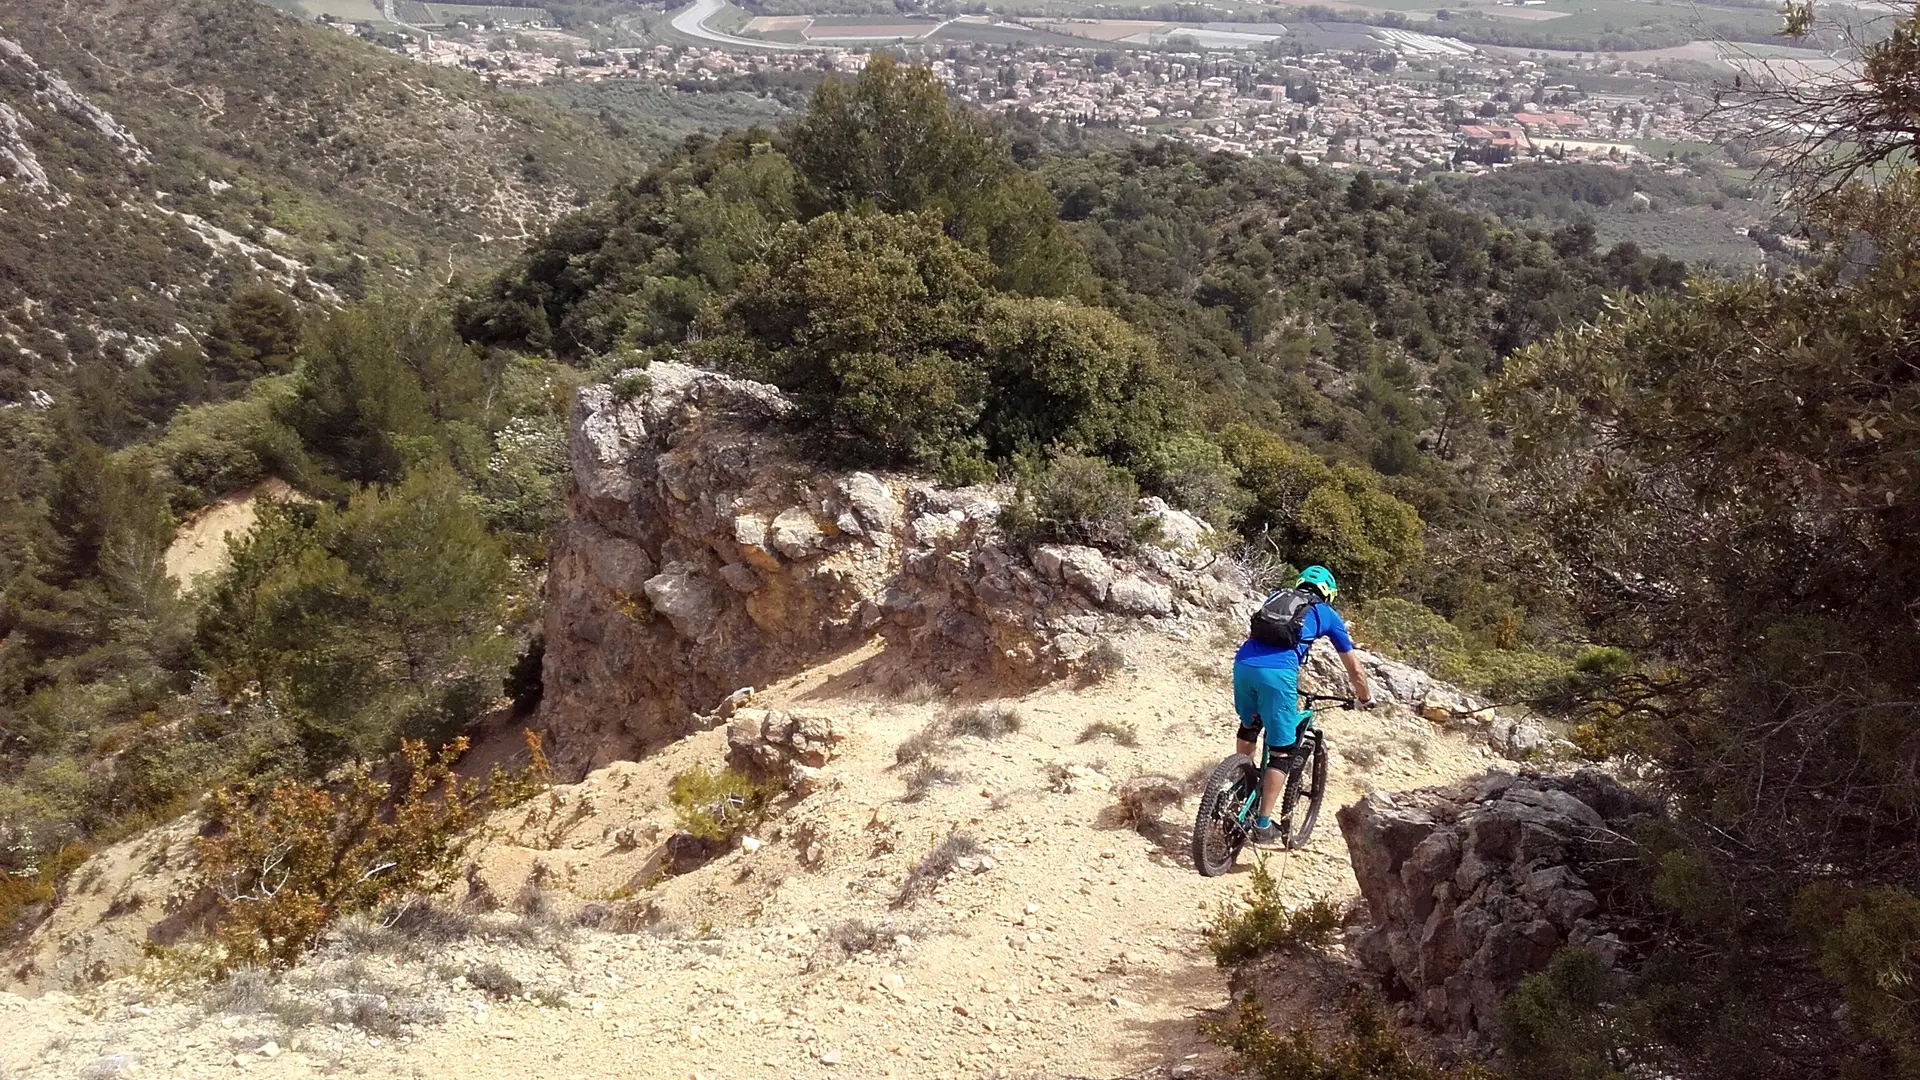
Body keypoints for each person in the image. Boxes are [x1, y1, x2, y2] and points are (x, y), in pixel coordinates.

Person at [1233, 565, 1373, 845]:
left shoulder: (1277, 596)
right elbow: (1354, 669)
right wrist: (1365, 698)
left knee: (1250, 725)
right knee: (1282, 753)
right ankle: (1262, 826)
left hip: (1243, 664)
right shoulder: (1326, 614)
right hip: (1278, 672)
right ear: (1328, 593)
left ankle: (1240, 786)